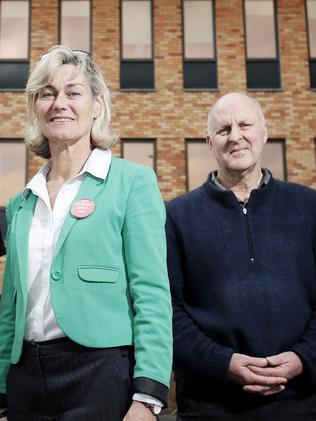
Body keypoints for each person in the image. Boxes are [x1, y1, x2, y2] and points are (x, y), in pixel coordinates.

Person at [0, 45, 172, 421]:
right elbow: (10, 308)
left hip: (100, 374)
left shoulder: (133, 183)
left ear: (96, 105)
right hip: (25, 381)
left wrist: (148, 395)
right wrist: (1, 388)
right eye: (48, 93)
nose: (59, 103)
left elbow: (152, 293)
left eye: (73, 92)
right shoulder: (20, 202)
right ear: (36, 108)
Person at [166, 92, 316, 420]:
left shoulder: (309, 207)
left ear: (264, 133)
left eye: (245, 125)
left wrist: (303, 357)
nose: (236, 136)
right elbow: (168, 311)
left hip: (302, 404)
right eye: (224, 129)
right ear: (209, 142)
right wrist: (223, 364)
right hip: (211, 407)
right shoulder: (176, 217)